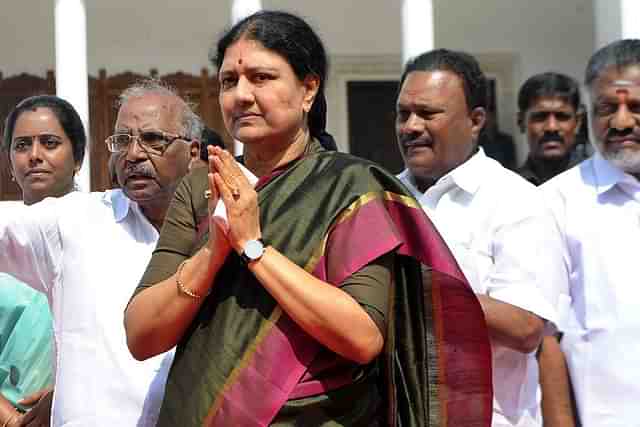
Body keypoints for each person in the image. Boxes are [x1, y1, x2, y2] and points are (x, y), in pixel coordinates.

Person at [125, 11, 493, 426]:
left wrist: (254, 248)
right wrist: (214, 252)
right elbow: (141, 335)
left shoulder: (351, 188)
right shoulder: (201, 188)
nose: (241, 95)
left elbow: (362, 337)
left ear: (308, 89)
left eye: (261, 78)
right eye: (229, 81)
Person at [0, 79, 202, 426]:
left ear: (193, 153)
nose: (134, 154)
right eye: (122, 141)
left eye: (153, 139)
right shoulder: (77, 221)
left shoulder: (228, 225)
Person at [394, 49, 567, 427]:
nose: (410, 126)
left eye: (427, 113)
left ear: (475, 121)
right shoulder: (383, 198)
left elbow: (525, 328)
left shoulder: (516, 201)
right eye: (403, 113)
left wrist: (415, 286)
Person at [541, 38, 640, 427]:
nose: (620, 122)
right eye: (606, 108)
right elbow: (545, 340)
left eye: (635, 107)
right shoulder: (556, 203)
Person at [0, 95, 85, 427]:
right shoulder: (4, 240)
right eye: (22, 146)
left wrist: (66, 395)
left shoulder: (109, 231)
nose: (34, 156)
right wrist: (10, 420)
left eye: (49, 143)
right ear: (9, 162)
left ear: (78, 157)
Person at [517, 72, 588, 185]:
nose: (551, 127)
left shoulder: (601, 185)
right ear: (521, 122)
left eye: (562, 116)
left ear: (578, 122)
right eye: (540, 117)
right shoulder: (507, 191)